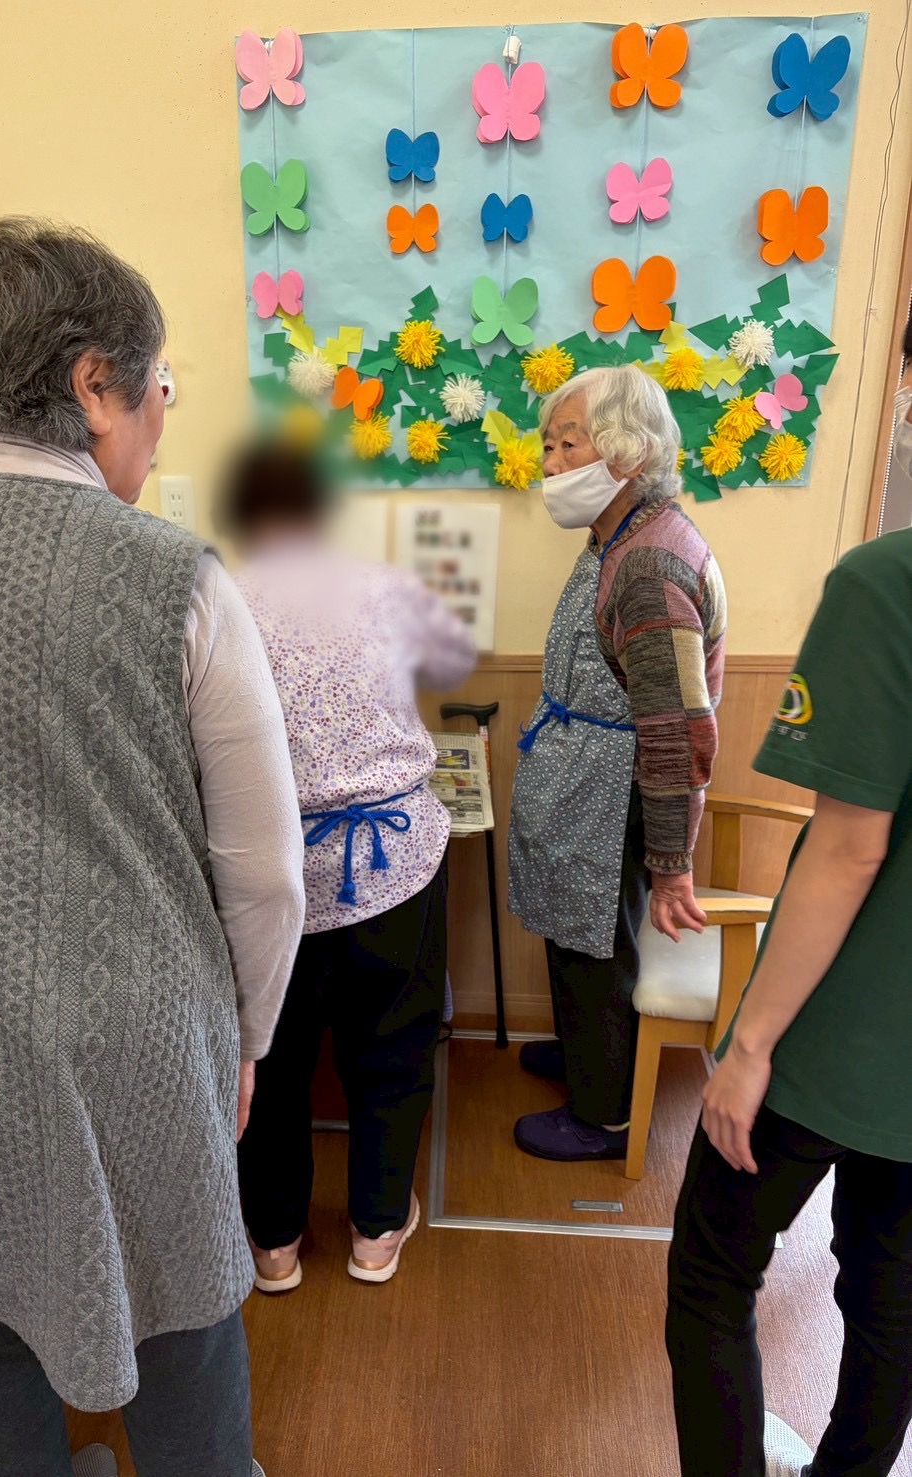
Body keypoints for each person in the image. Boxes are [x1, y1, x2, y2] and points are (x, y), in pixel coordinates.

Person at [0, 218, 306, 1477]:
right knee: (182, 1316)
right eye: (159, 388)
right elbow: (263, 872)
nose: (161, 421)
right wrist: (244, 1038)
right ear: (94, 385)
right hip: (125, 1040)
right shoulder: (175, 576)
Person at [666, 329, 912, 1477]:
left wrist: (749, 1041)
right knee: (892, 1295)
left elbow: (849, 848)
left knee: (712, 1274)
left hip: (840, 1028)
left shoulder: (885, 584)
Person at [225, 441, 475, 1288]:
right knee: (392, 1054)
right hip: (394, 863)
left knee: (270, 1061)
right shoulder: (382, 585)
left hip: (271, 872)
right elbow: (451, 659)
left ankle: (274, 1243)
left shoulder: (220, 598)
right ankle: (375, 1230)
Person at [508, 364, 726, 1162]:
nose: (551, 463)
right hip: (587, 776)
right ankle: (586, 1055)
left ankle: (604, 1115)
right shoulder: (621, 533)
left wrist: (671, 866)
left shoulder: (649, 565)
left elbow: (675, 732)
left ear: (628, 453)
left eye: (569, 444)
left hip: (616, 786)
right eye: (549, 445)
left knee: (598, 946)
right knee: (577, 935)